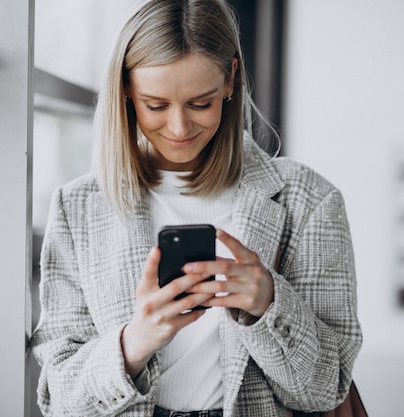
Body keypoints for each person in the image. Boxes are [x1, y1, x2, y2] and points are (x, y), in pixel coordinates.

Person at [31, 0, 363, 416]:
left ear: (230, 80)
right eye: (156, 106)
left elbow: (326, 389)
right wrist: (134, 342)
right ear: (126, 90)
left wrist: (270, 305)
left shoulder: (309, 200)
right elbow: (59, 399)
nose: (179, 128)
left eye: (200, 104)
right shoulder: (77, 208)